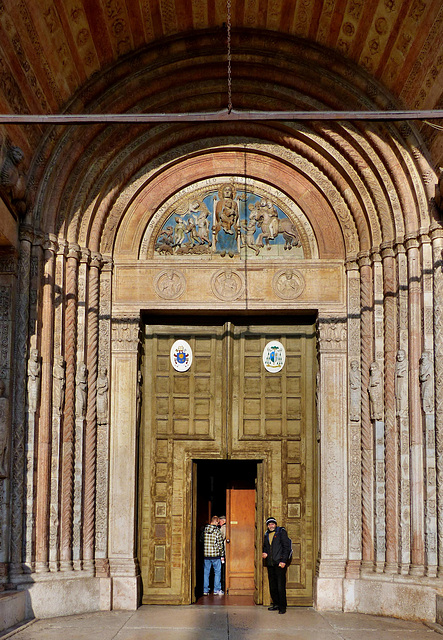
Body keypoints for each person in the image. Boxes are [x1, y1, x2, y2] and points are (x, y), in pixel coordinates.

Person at [262, 516, 291, 614]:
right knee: (273, 586)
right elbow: (265, 547)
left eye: (272, 524)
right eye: (269, 524)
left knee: (280, 586)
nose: (271, 526)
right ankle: (276, 604)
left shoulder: (281, 532)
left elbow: (286, 547)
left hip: (279, 563)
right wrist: (265, 552)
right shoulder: (266, 534)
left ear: (275, 524)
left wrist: (283, 561)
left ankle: (282, 607)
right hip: (270, 563)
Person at [202, 515, 225, 595]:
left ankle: (205, 590)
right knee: (217, 572)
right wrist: (222, 554)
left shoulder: (204, 530)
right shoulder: (217, 531)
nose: (218, 524)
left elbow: (201, 540)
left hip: (206, 555)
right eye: (218, 522)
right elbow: (220, 543)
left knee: (206, 572)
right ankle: (217, 589)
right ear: (215, 521)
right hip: (215, 555)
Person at [218, 515, 227, 591]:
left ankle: (224, 585)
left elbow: (221, 538)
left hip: (224, 551)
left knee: (223, 569)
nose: (218, 523)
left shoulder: (223, 528)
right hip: (226, 551)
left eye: (220, 521)